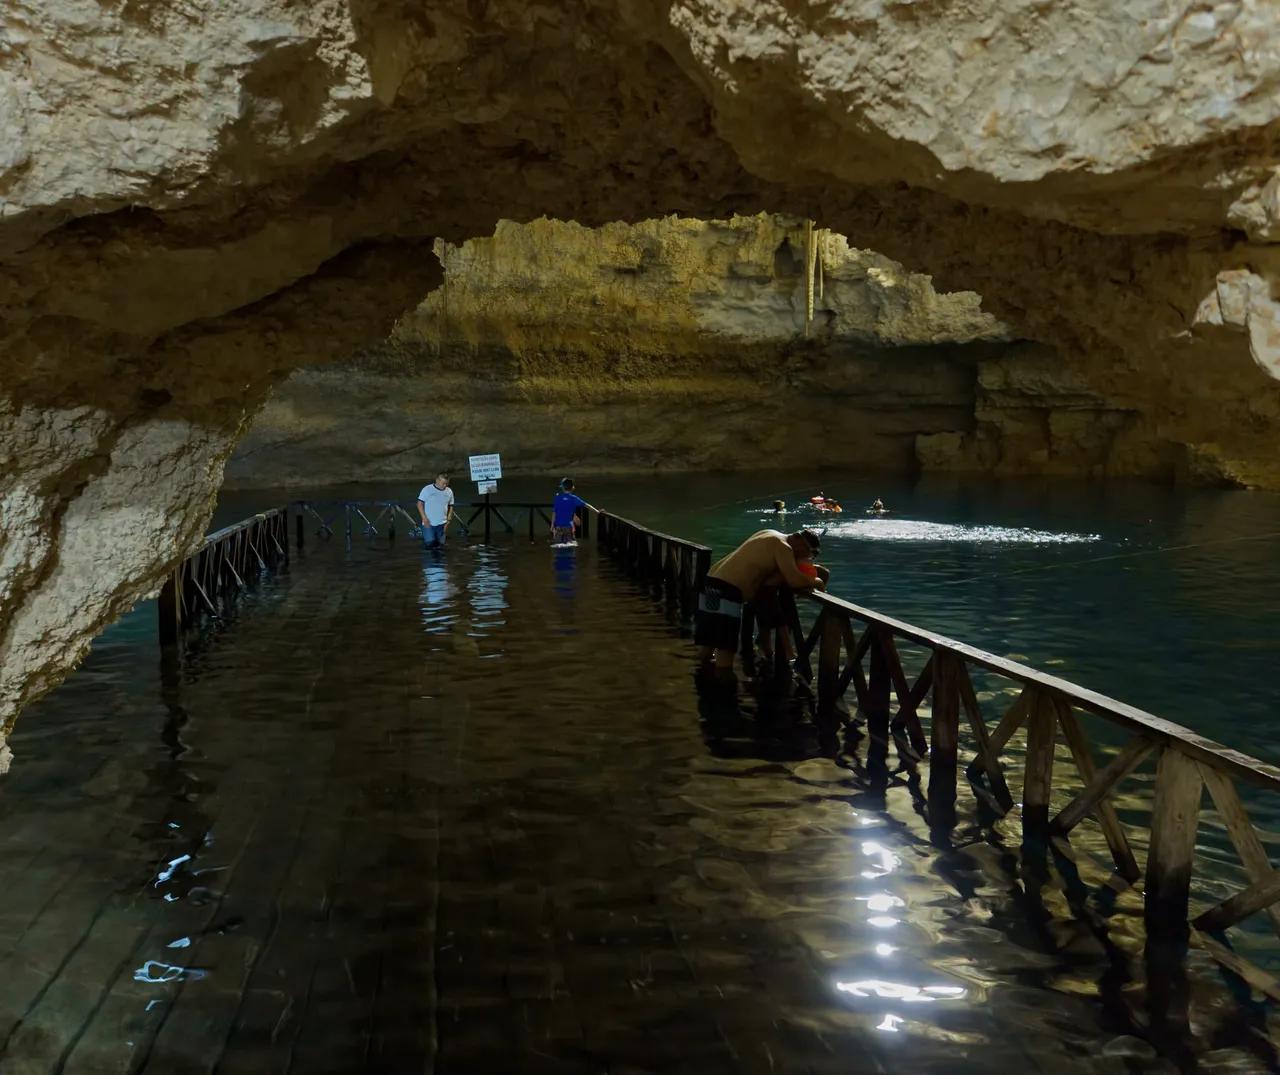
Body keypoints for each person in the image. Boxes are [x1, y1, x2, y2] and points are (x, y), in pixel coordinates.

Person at [695, 529, 824, 674]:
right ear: (797, 538)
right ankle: (723, 689)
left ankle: (698, 684)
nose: (800, 557)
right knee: (725, 651)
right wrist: (817, 582)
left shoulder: (769, 533)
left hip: (711, 584)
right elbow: (794, 580)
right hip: (727, 590)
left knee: (707, 645)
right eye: (804, 553)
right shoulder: (783, 547)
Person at [551, 478, 603, 544]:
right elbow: (587, 505)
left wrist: (552, 524)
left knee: (558, 544)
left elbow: (554, 512)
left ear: (562, 488)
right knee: (570, 544)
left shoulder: (558, 498)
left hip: (558, 526)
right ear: (572, 488)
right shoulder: (574, 498)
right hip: (568, 526)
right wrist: (597, 511)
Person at [417, 471, 455, 548]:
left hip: (442, 523)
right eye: (443, 483)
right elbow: (419, 503)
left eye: (446, 484)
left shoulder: (449, 491)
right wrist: (424, 518)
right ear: (437, 481)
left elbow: (451, 505)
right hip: (429, 523)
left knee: (440, 546)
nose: (444, 486)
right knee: (430, 544)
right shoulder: (427, 489)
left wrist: (448, 521)